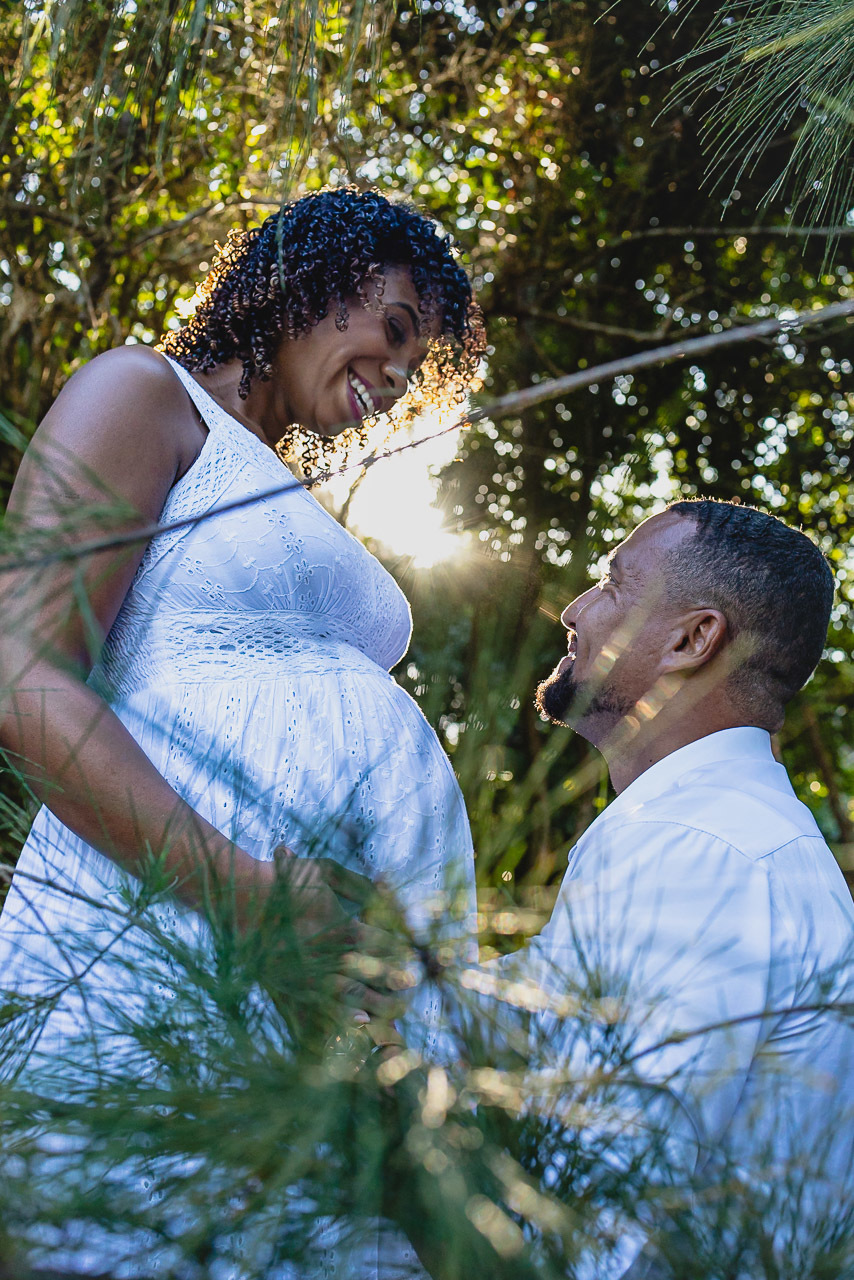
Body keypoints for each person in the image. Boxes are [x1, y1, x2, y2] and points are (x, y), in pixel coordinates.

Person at [0, 185, 484, 1274]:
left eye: (417, 363)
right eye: (393, 327)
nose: (397, 374)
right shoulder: (144, 392)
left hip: (325, 985)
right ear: (309, 280)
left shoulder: (282, 487)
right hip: (178, 922)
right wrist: (250, 894)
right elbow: (20, 670)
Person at [511, 498, 854, 1277]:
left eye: (614, 584)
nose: (574, 609)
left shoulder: (699, 849)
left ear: (692, 639)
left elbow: (598, 1230)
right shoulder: (711, 830)